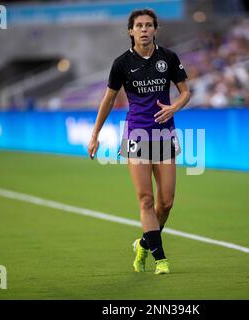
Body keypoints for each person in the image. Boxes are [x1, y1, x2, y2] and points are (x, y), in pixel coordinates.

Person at [88, 9, 190, 275]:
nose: (144, 29)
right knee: (146, 200)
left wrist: (174, 108)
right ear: (130, 31)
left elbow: (186, 92)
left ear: (155, 29)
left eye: (148, 25)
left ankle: (144, 243)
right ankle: (161, 259)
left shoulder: (168, 58)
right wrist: (95, 134)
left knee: (165, 202)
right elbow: (108, 100)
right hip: (137, 136)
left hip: (164, 135)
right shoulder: (122, 63)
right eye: (139, 26)